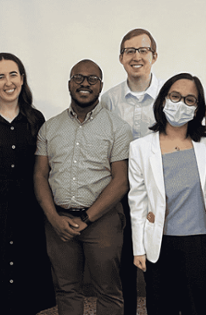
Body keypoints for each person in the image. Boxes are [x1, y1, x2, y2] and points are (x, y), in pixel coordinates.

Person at [34, 59, 133, 315]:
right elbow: (40, 176)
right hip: (59, 220)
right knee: (66, 289)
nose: (85, 83)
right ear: (69, 84)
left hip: (103, 220)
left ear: (101, 86)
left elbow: (121, 181)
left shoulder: (118, 128)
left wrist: (87, 219)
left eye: (92, 79)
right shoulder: (49, 127)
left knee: (108, 290)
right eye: (78, 78)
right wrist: (54, 218)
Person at [128, 73, 206, 315]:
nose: (181, 104)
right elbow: (137, 201)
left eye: (190, 100)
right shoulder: (141, 148)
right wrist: (139, 248)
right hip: (160, 242)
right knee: (160, 308)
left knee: (196, 308)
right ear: (163, 100)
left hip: (200, 242)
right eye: (175, 96)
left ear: (198, 107)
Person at [0, 52, 55, 314]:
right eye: (1, 76)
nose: (8, 82)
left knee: (27, 274)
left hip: (28, 209)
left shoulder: (36, 120)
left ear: (22, 79)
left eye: (13, 75)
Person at [101, 28, 164, 315]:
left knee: (158, 263)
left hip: (158, 191)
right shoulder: (109, 100)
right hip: (121, 192)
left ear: (154, 56)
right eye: (130, 51)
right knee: (124, 261)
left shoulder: (167, 97)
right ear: (121, 58)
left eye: (142, 50)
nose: (136, 56)